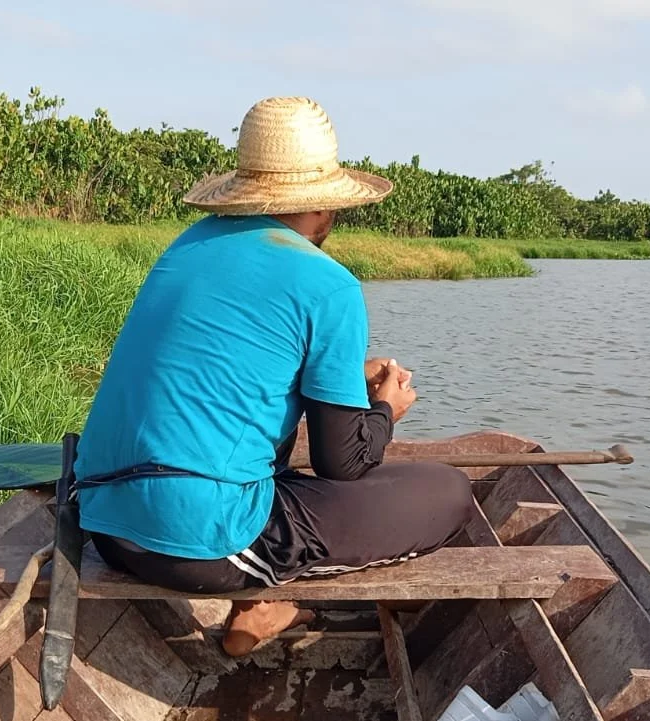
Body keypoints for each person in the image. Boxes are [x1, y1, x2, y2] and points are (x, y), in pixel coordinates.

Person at [71, 96, 474, 657]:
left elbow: (234, 372)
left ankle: (252, 608)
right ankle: (262, 599)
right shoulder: (327, 283)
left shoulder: (189, 244)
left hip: (104, 521)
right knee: (449, 491)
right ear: (327, 205)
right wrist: (386, 411)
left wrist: (347, 379)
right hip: (196, 544)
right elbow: (345, 463)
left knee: (252, 457)